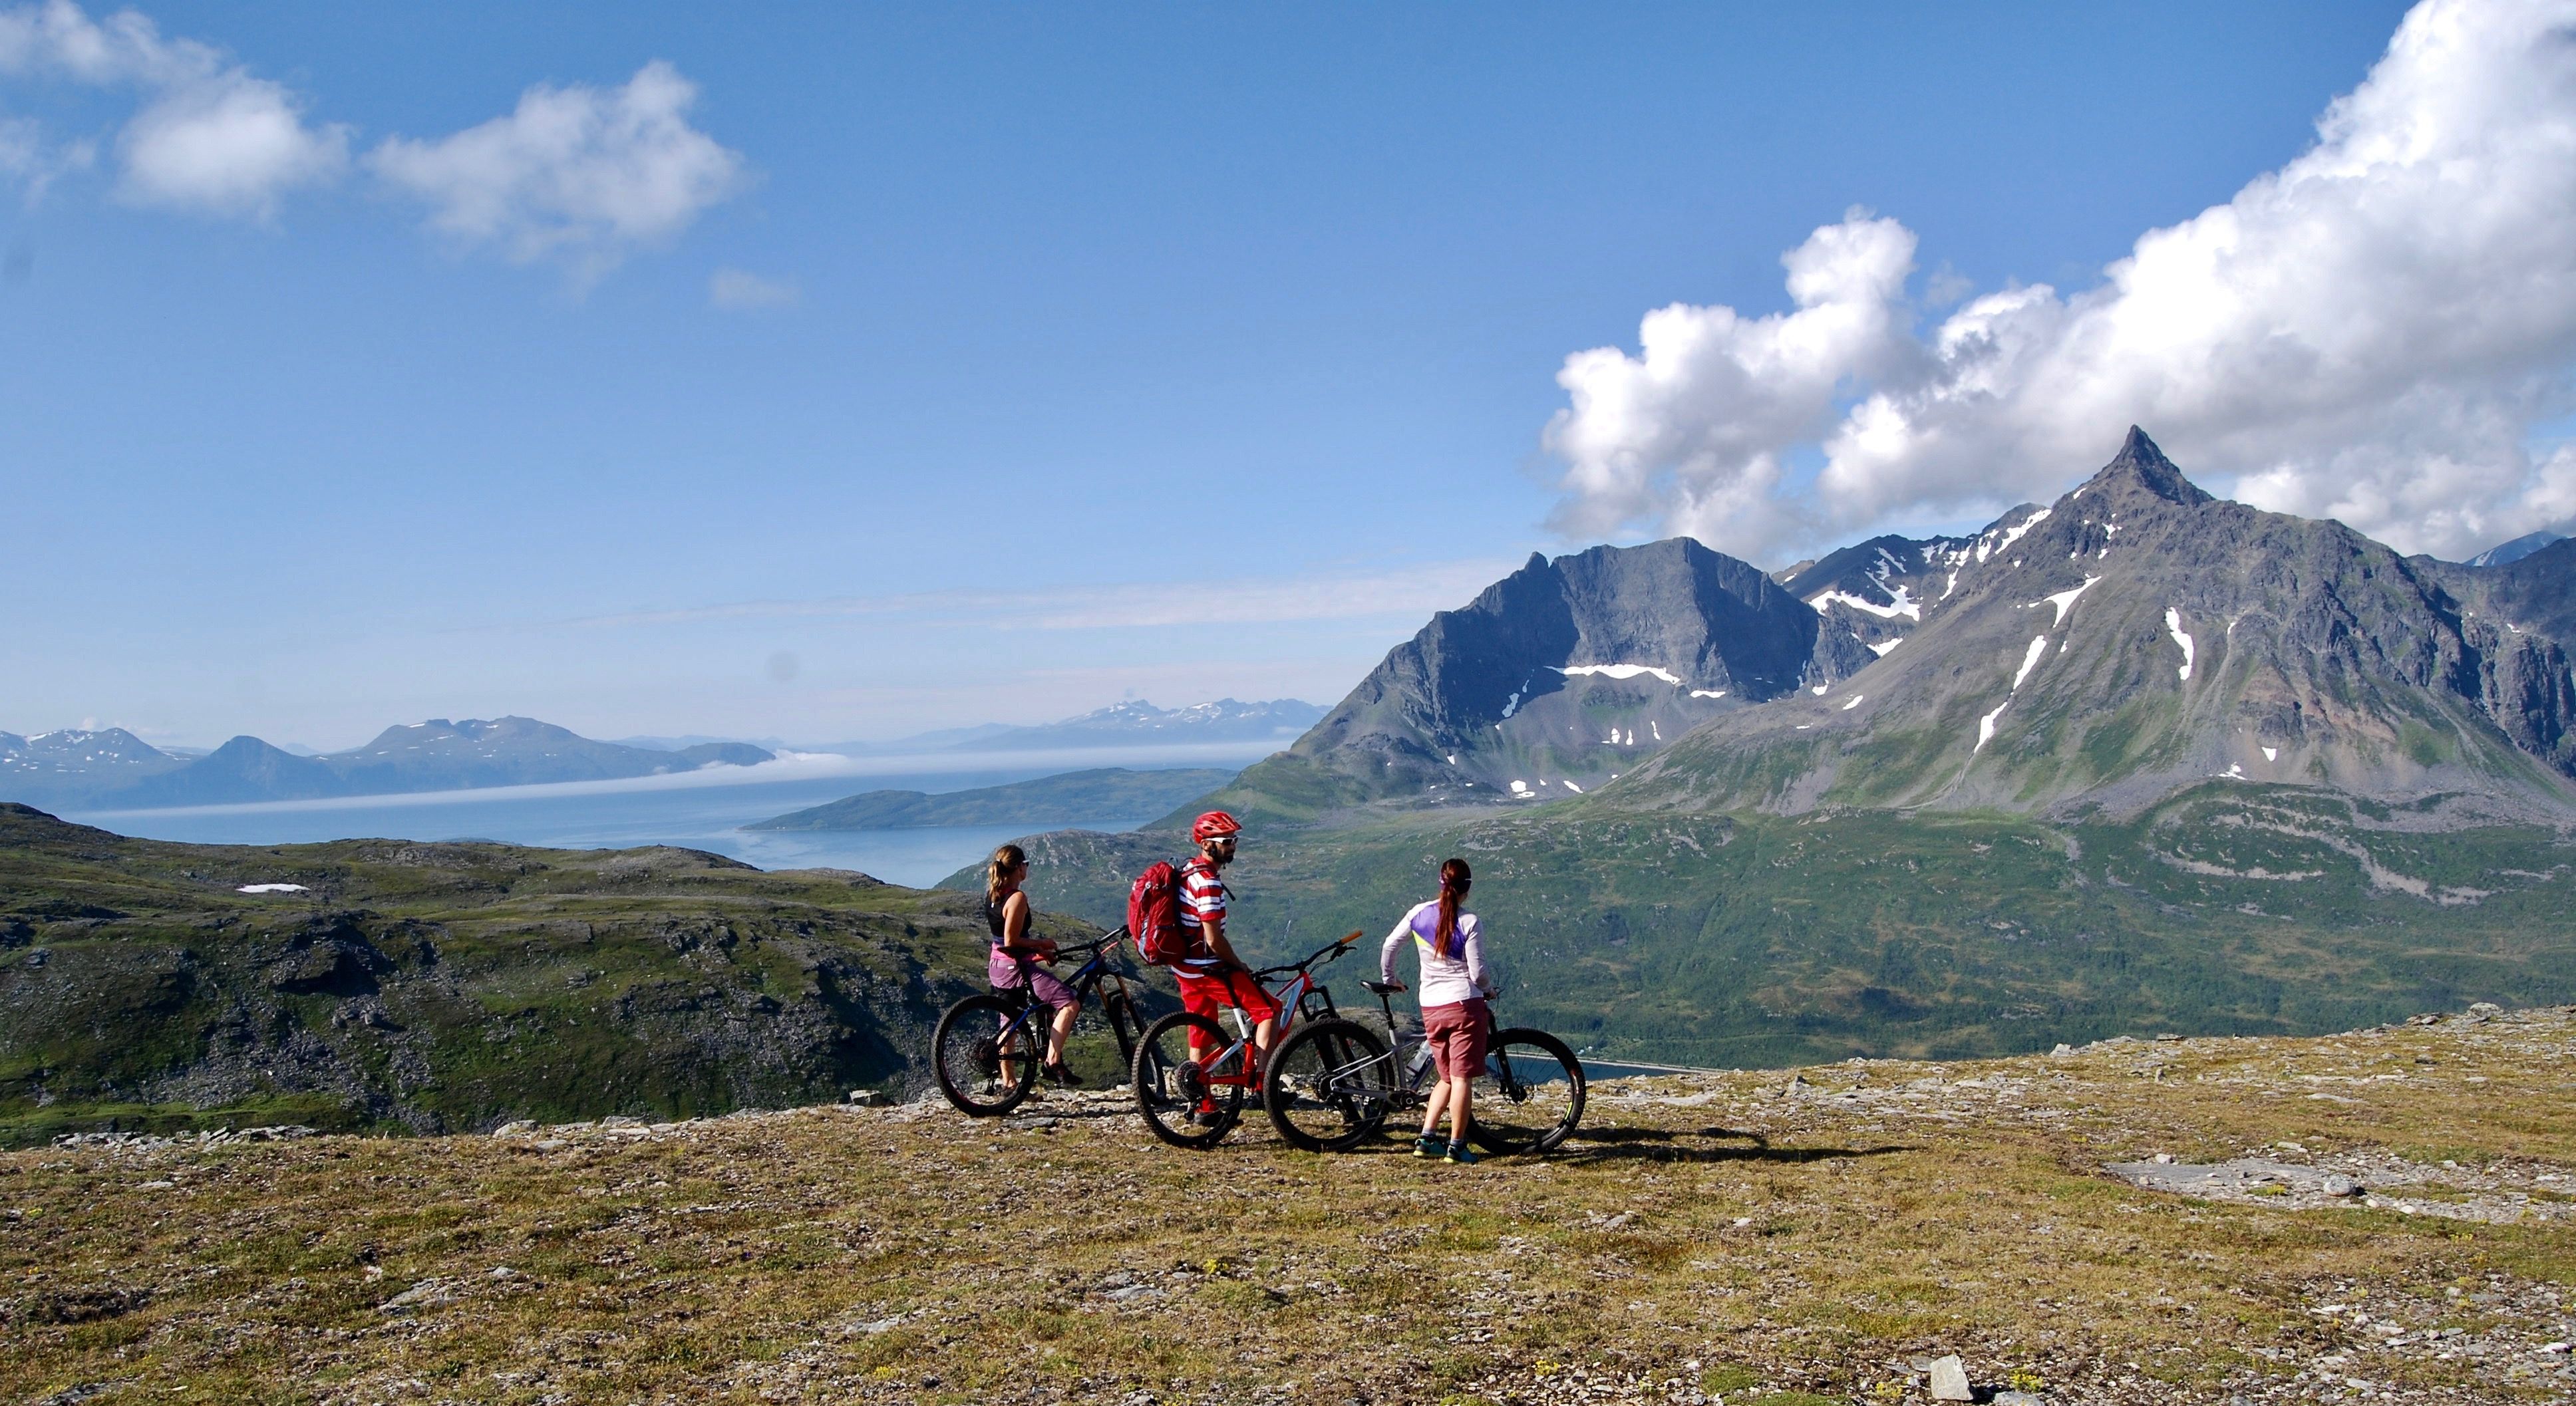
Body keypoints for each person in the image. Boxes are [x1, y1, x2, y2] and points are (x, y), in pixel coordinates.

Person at [1378, 857, 1494, 1164]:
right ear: (1467, 889)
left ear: (1441, 883)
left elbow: (1390, 945)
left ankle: (1427, 1138)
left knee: (1445, 1076)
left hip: (1431, 1006)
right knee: (1461, 1079)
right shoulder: (1469, 921)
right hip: (1463, 1006)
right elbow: (1477, 972)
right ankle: (1457, 1146)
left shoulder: (1419, 913)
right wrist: (1488, 989)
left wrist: (1390, 979)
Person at [1170, 810, 1281, 1117]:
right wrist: (1239, 965)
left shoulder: (1188, 871)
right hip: (1207, 967)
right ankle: (1262, 1085)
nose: (1232, 846)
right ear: (1206, 844)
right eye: (1226, 841)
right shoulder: (1206, 882)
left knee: (1201, 1030)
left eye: (1234, 840)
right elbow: (1214, 940)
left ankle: (1202, 1102)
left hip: (1186, 968)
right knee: (1270, 1011)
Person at [984, 843, 1084, 1087]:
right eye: (1026, 865)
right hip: (1015, 968)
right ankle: (1053, 1061)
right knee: (1069, 1004)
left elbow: (1002, 942)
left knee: (1010, 1021)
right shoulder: (1016, 897)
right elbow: (1011, 941)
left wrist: (1038, 952)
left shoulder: (993, 894)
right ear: (1019, 868)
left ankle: (1009, 1084)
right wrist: (1043, 944)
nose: (1027, 869)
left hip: (998, 965)